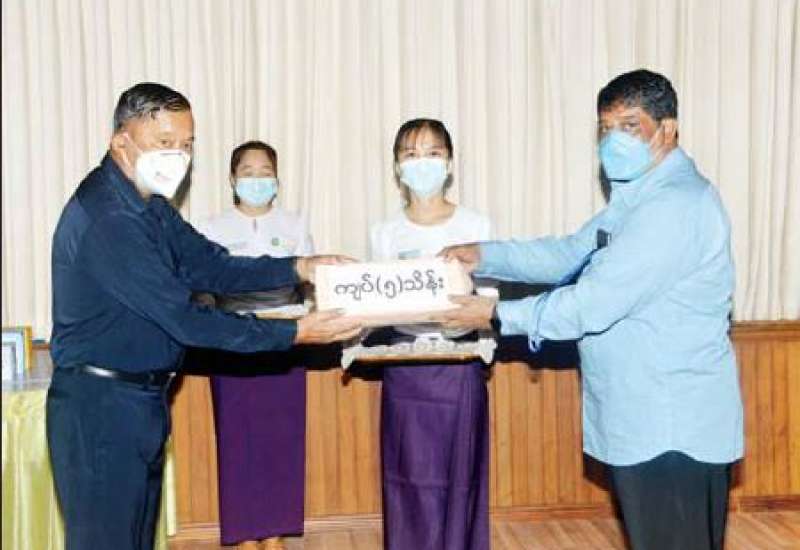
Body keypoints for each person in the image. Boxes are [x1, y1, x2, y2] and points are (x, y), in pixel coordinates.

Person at [46, 82, 362, 550]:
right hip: (101, 409)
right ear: (121, 142)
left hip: (140, 401)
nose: (179, 156)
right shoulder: (110, 218)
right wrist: (296, 332)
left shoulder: (149, 203)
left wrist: (299, 266)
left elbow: (212, 265)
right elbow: (186, 319)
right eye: (164, 142)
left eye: (187, 144)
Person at [436, 69, 744, 550]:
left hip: (671, 428)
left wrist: (495, 315)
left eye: (629, 126)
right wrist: (484, 254)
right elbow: (569, 253)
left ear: (667, 130)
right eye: (605, 128)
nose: (613, 140)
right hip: (646, 419)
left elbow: (593, 302)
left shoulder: (674, 206)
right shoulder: (637, 198)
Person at [370, 118, 492, 550]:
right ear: (397, 167)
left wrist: (471, 318)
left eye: (433, 153)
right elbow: (377, 303)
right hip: (405, 367)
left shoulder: (476, 225)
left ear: (449, 163)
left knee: (461, 476)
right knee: (407, 476)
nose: (422, 163)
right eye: (411, 154)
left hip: (459, 366)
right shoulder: (385, 232)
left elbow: (489, 298)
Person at [194, 140, 312, 550]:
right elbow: (203, 289)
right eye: (248, 172)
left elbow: (308, 286)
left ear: (277, 180)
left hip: (285, 344)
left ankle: (276, 532)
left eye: (265, 172)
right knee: (238, 442)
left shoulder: (294, 225)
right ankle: (245, 535)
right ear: (232, 180)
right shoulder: (211, 228)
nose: (257, 180)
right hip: (232, 343)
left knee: (282, 441)